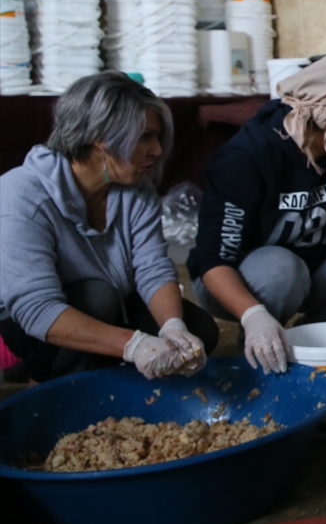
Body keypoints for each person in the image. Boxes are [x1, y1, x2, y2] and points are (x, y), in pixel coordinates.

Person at [188, 56, 326, 374]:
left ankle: (310, 341)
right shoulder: (245, 159)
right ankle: (257, 343)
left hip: (313, 266)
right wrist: (254, 315)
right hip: (242, 280)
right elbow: (213, 262)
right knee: (281, 269)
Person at [0, 73, 217, 383]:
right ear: (102, 139)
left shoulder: (136, 191)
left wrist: (173, 328)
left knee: (198, 330)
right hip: (27, 324)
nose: (156, 150)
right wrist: (134, 345)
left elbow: (152, 268)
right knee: (97, 295)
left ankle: (112, 374)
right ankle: (48, 383)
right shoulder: (21, 195)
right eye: (145, 137)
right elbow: (36, 307)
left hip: (109, 301)